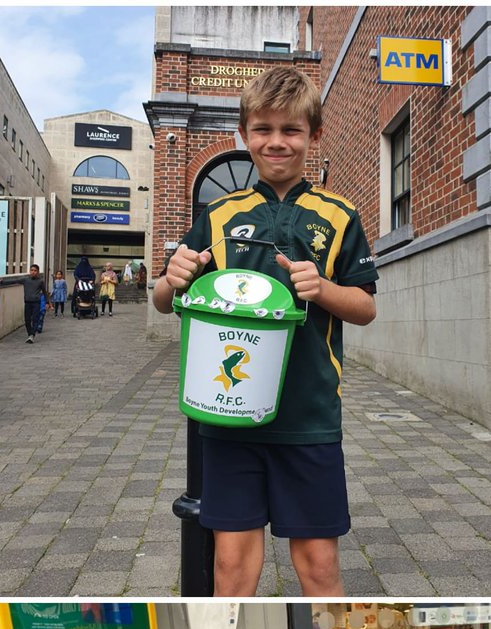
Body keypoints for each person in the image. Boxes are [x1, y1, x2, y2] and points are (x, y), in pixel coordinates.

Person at [153, 66, 378, 597]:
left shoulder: (339, 215)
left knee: (319, 567)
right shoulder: (218, 214)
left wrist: (322, 288)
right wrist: (171, 279)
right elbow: (167, 302)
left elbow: (365, 307)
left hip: (309, 416)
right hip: (229, 418)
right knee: (231, 569)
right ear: (244, 134)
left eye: (291, 130)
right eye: (263, 129)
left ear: (314, 135)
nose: (276, 142)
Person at [22, 263, 46, 344]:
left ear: (38, 272)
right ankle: (30, 334)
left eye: (35, 271)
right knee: (27, 320)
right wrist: (2, 281)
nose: (33, 272)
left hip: (36, 303)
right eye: (31, 270)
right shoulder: (25, 280)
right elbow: (14, 281)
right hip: (27, 302)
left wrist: (47, 303)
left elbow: (45, 292)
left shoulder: (40, 281)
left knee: (35, 319)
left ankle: (32, 335)